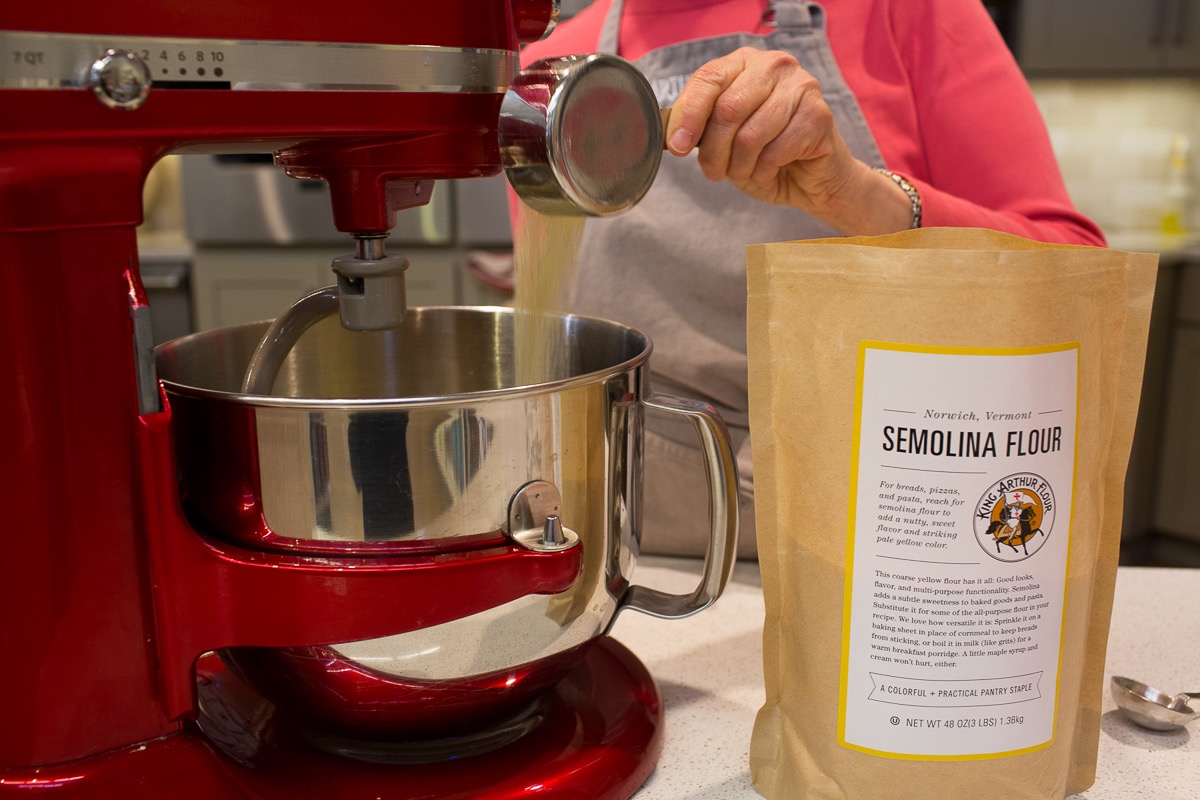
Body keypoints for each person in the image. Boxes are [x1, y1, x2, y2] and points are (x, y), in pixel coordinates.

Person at [515, 0, 1105, 559]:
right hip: (634, 559)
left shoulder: (902, 13)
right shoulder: (553, 72)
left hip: (881, 566)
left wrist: (854, 194)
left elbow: (1078, 289)